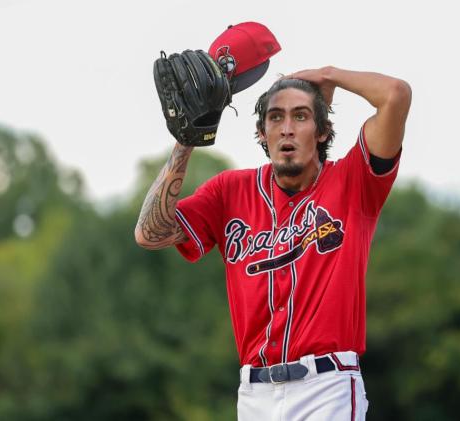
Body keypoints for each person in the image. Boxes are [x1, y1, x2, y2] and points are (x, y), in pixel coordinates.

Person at [135, 65, 411, 420]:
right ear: (262, 133)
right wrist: (186, 140)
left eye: (301, 116)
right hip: (254, 395)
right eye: (276, 117)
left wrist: (329, 75)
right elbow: (149, 233)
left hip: (326, 388)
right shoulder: (229, 191)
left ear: (323, 130)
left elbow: (396, 96)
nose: (287, 128)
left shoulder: (354, 182)